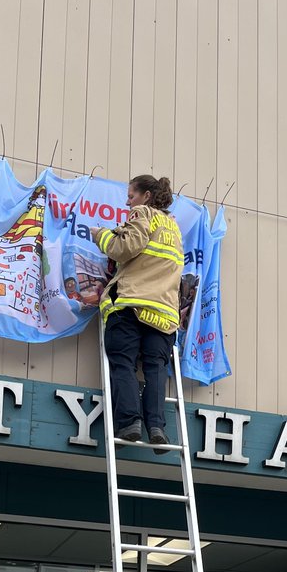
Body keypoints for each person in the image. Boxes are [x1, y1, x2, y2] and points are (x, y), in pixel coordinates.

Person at [90, 175, 183, 454]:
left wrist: (102, 235)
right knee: (155, 370)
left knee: (124, 363)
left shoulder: (142, 214)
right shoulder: (174, 227)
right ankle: (157, 427)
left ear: (146, 196)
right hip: (164, 314)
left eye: (131, 195)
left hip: (131, 304)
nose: (127, 201)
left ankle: (130, 423)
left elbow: (125, 248)